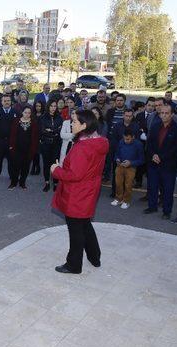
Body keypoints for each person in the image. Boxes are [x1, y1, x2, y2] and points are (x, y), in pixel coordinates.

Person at [50, 110, 109, 274]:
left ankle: (74, 265)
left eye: (75, 121)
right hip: (88, 191)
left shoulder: (83, 147)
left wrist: (56, 170)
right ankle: (94, 257)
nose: (72, 124)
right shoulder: (98, 142)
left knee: (76, 230)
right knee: (85, 225)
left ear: (84, 125)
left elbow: (74, 175)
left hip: (77, 193)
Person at [144, 105, 177, 219]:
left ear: (172, 114)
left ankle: (167, 212)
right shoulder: (155, 126)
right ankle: (152, 207)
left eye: (166, 113)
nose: (163, 115)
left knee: (167, 189)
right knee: (152, 186)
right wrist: (153, 155)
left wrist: (161, 156)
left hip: (168, 165)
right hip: (154, 163)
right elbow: (150, 143)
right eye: (162, 113)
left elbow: (176, 148)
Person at [111, 129, 144, 209]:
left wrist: (131, 163)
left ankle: (126, 201)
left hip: (131, 167)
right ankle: (118, 198)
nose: (126, 141)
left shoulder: (138, 145)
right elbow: (116, 154)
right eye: (125, 138)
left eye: (128, 139)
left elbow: (142, 160)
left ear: (133, 137)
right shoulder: (121, 142)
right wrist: (117, 159)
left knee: (128, 184)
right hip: (120, 165)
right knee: (118, 183)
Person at [9, 106, 38, 190]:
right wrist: (11, 146)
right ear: (22, 112)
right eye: (25, 112)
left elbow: (35, 137)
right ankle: (13, 183)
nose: (27, 114)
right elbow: (12, 135)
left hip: (28, 149)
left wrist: (34, 148)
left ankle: (22, 183)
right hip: (17, 148)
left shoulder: (33, 123)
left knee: (25, 167)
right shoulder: (16, 121)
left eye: (29, 113)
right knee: (16, 166)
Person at [40, 99, 63, 192]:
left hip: (56, 144)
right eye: (51, 106)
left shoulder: (59, 117)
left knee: (55, 164)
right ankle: (47, 182)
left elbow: (60, 130)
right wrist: (53, 131)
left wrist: (51, 130)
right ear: (48, 106)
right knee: (46, 164)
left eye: (55, 106)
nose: (53, 108)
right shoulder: (43, 117)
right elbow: (42, 131)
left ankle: (56, 183)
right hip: (46, 144)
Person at [0, 94, 17, 181]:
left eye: (8, 101)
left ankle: (12, 176)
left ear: (11, 102)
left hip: (11, 141)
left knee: (12, 160)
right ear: (1, 102)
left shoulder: (15, 112)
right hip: (0, 140)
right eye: (5, 101)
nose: (6, 102)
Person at [105, 93, 127, 183]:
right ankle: (107, 176)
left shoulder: (128, 111)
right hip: (111, 139)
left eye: (121, 100)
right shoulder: (110, 111)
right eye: (117, 100)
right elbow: (107, 124)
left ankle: (121, 179)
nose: (119, 102)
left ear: (124, 101)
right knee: (109, 158)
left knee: (121, 159)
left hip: (124, 139)